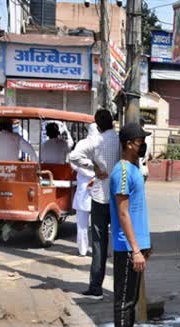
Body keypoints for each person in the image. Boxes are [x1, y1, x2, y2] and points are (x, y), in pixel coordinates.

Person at [110, 122, 152, 327]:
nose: (143, 144)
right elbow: (123, 213)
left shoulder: (135, 168)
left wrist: (145, 244)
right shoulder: (122, 172)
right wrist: (135, 249)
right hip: (126, 246)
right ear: (128, 144)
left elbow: (138, 210)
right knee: (124, 298)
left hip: (137, 245)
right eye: (140, 141)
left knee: (132, 297)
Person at [71, 109, 121, 299]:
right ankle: (120, 287)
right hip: (118, 196)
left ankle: (96, 288)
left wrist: (95, 167)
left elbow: (74, 157)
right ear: (113, 122)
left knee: (99, 243)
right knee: (120, 241)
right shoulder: (119, 140)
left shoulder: (94, 141)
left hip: (100, 197)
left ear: (97, 125)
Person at [71, 124, 100, 257]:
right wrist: (92, 174)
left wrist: (87, 173)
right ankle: (96, 250)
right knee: (98, 223)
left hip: (86, 186)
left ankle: (83, 250)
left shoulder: (82, 144)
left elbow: (73, 163)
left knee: (82, 224)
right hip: (95, 185)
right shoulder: (101, 144)